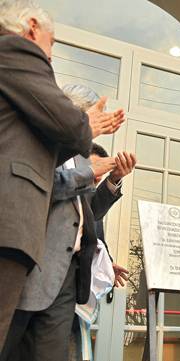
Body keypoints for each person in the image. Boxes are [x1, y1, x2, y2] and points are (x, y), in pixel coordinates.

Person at [0, 0, 123, 350]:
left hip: (67, 273)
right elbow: (50, 177)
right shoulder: (16, 50)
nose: (50, 58)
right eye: (52, 44)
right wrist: (87, 145)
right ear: (33, 26)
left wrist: (107, 178)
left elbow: (87, 213)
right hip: (22, 244)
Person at [0, 84, 133, 361]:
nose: (97, 126)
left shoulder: (82, 157)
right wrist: (87, 173)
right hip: (29, 268)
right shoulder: (43, 143)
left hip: (67, 276)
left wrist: (113, 180)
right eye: (92, 118)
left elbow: (87, 214)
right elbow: (39, 190)